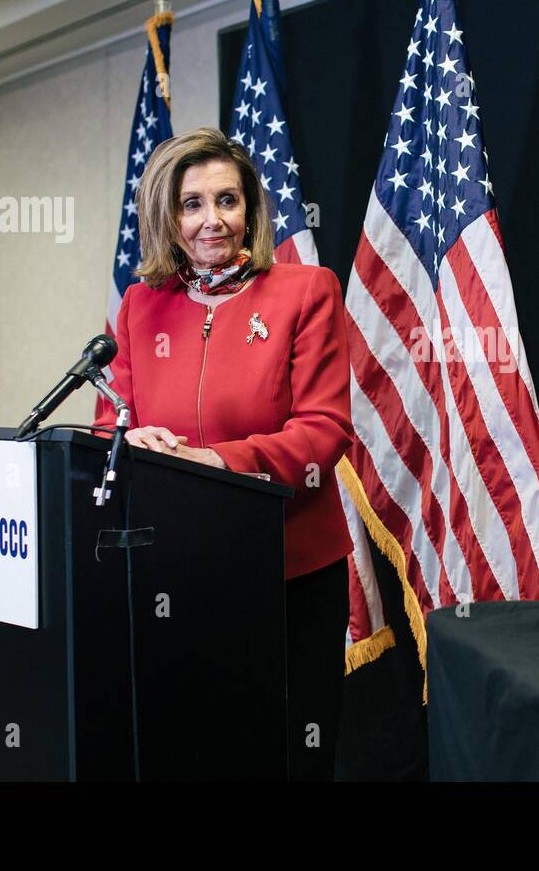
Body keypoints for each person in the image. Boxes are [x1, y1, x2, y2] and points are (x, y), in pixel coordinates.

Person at [96, 127, 353, 781]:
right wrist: (129, 440)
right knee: (192, 745)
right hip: (175, 571)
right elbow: (107, 425)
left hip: (288, 570)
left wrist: (223, 464)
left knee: (290, 754)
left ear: (251, 210)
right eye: (192, 204)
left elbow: (326, 431)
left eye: (228, 200)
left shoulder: (307, 291)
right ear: (167, 218)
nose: (213, 220)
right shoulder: (138, 307)